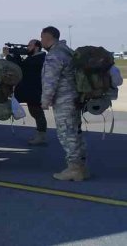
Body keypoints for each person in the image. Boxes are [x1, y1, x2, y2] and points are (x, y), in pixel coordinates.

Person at [40, 26, 88, 181]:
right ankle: (80, 167)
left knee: (67, 134)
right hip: (74, 99)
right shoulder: (68, 52)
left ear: (47, 38)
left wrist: (45, 100)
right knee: (75, 133)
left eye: (42, 38)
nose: (41, 41)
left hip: (64, 100)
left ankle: (74, 169)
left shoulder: (55, 55)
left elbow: (50, 80)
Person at [5, 40, 48, 145]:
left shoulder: (40, 59)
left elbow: (22, 67)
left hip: (34, 91)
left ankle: (41, 137)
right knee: (35, 113)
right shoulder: (34, 57)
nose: (27, 48)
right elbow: (22, 65)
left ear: (37, 47)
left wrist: (9, 56)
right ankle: (40, 135)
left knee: (37, 113)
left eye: (30, 46)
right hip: (30, 90)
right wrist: (15, 54)